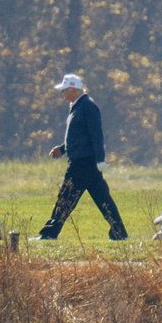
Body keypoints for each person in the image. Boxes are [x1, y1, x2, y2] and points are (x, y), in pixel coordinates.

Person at [32, 73, 128, 241]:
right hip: (84, 162)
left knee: (65, 197)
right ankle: (119, 233)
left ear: (72, 89)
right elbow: (79, 136)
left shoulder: (87, 106)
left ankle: (49, 233)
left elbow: (96, 134)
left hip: (83, 163)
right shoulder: (77, 106)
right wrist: (62, 149)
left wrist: (100, 160)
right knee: (102, 198)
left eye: (64, 90)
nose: (61, 93)